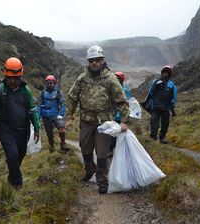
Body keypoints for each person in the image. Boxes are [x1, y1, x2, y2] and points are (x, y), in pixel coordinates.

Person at [65, 46, 130, 194]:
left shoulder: (110, 78)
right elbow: (72, 98)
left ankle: (102, 181)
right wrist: (69, 118)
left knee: (101, 154)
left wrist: (124, 121)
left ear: (102, 60)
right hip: (86, 121)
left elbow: (122, 101)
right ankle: (89, 170)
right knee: (85, 149)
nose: (94, 63)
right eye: (91, 61)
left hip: (104, 123)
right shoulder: (82, 78)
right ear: (88, 62)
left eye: (97, 60)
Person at [0, 57, 40, 188]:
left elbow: (33, 111)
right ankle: (17, 184)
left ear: (20, 76)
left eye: (16, 78)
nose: (13, 81)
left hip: (23, 130)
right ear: (5, 75)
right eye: (10, 78)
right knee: (12, 154)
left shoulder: (26, 91)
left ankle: (11, 179)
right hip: (5, 130)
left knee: (20, 155)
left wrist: (37, 128)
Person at [37, 74, 68, 153]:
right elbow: (39, 106)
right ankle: (51, 146)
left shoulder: (58, 93)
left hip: (56, 115)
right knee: (49, 135)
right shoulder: (42, 93)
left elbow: (62, 104)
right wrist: (38, 117)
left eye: (51, 83)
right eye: (48, 83)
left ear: (54, 83)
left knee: (61, 128)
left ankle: (63, 142)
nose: (49, 84)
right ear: (46, 83)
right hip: (45, 117)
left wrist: (62, 115)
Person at [148, 65, 177, 144]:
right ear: (162, 73)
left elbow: (173, 98)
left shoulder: (171, 85)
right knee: (154, 122)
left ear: (169, 74)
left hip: (166, 108)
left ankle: (162, 138)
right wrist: (155, 86)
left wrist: (172, 109)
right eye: (164, 72)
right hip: (156, 107)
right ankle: (153, 137)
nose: (165, 74)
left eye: (167, 72)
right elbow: (151, 93)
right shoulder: (156, 82)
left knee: (165, 124)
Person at [108, 71, 132, 157]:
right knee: (112, 134)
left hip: (121, 117)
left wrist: (126, 116)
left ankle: (118, 151)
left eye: (118, 78)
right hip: (112, 116)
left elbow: (128, 103)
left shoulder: (125, 90)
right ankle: (111, 150)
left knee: (119, 134)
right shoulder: (111, 89)